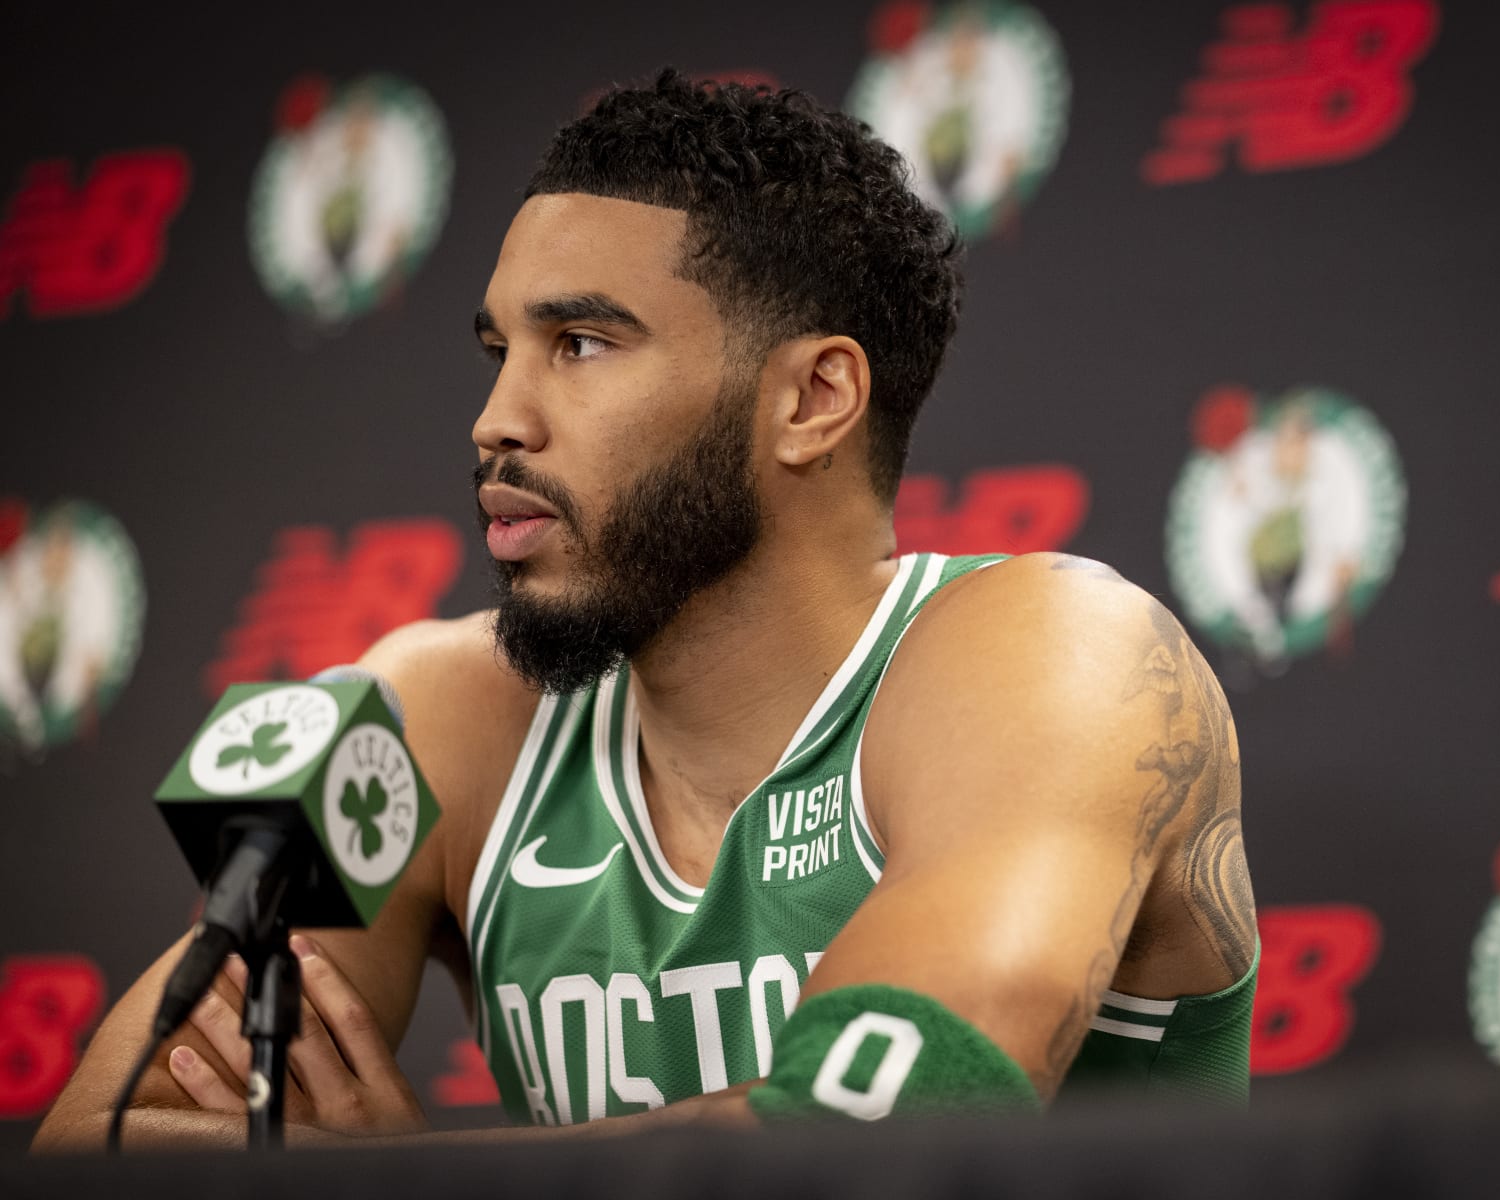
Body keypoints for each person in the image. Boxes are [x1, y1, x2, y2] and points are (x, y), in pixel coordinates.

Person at [34, 71, 1256, 1149]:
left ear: (812, 400)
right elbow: (102, 1142)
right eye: (500, 352)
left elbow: (873, 1133)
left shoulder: (1058, 655)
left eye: (579, 344)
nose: (496, 421)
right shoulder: (444, 719)